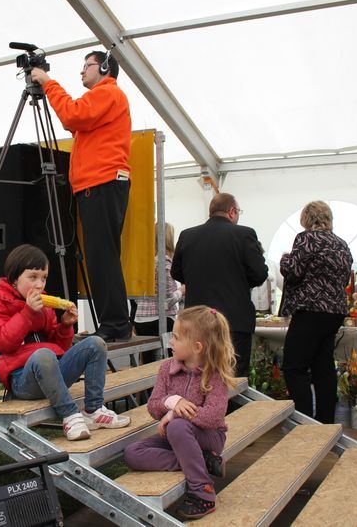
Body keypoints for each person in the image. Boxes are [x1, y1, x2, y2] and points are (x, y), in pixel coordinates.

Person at [0, 244, 130, 441]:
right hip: (22, 380)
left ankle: (93, 410)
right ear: (15, 278)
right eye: (33, 277)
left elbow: (59, 348)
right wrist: (27, 313)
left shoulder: (43, 304)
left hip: (53, 372)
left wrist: (65, 326)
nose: (40, 284)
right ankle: (69, 416)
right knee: (43, 354)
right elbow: (1, 341)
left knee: (95, 343)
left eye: (43, 278)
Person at [30, 51, 132, 342]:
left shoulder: (107, 93)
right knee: (101, 256)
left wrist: (48, 83)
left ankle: (114, 324)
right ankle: (113, 323)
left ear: (103, 67)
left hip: (102, 182)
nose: (81, 72)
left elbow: (71, 114)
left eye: (86, 65)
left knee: (103, 257)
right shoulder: (106, 97)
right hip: (98, 183)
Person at [123, 306, 238, 519]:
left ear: (197, 347)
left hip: (209, 438)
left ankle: (202, 492)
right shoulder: (167, 368)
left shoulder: (214, 374)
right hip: (176, 439)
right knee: (132, 453)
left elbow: (213, 418)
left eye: (176, 338)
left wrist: (176, 415)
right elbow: (153, 406)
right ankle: (199, 460)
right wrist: (171, 401)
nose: (170, 342)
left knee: (177, 426)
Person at [171, 193, 267, 377]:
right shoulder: (244, 234)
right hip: (234, 320)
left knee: (200, 375)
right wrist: (240, 282)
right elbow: (260, 273)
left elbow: (176, 273)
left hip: (197, 322)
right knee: (234, 378)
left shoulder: (187, 235)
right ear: (232, 212)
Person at [279, 201, 352, 423]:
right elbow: (345, 278)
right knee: (324, 368)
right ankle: (325, 422)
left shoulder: (306, 238)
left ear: (306, 219)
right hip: (335, 312)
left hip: (310, 309)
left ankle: (304, 421)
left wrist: (284, 259)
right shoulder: (341, 244)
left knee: (294, 367)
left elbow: (294, 272)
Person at [133, 222, 184, 341]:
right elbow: (167, 301)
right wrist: (181, 291)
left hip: (140, 320)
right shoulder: (164, 262)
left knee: (148, 359)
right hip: (160, 320)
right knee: (168, 359)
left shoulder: (143, 263)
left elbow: (136, 297)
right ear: (169, 239)